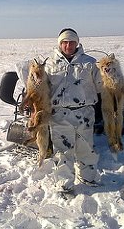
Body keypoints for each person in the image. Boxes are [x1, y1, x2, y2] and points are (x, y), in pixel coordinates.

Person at [45, 28, 102, 193]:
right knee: (62, 151)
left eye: (71, 42)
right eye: (64, 42)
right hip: (59, 114)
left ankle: (88, 177)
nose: (68, 45)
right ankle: (64, 182)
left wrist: (111, 75)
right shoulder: (49, 64)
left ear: (77, 43)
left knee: (86, 148)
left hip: (84, 113)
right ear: (59, 44)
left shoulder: (90, 63)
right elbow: (41, 89)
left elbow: (102, 86)